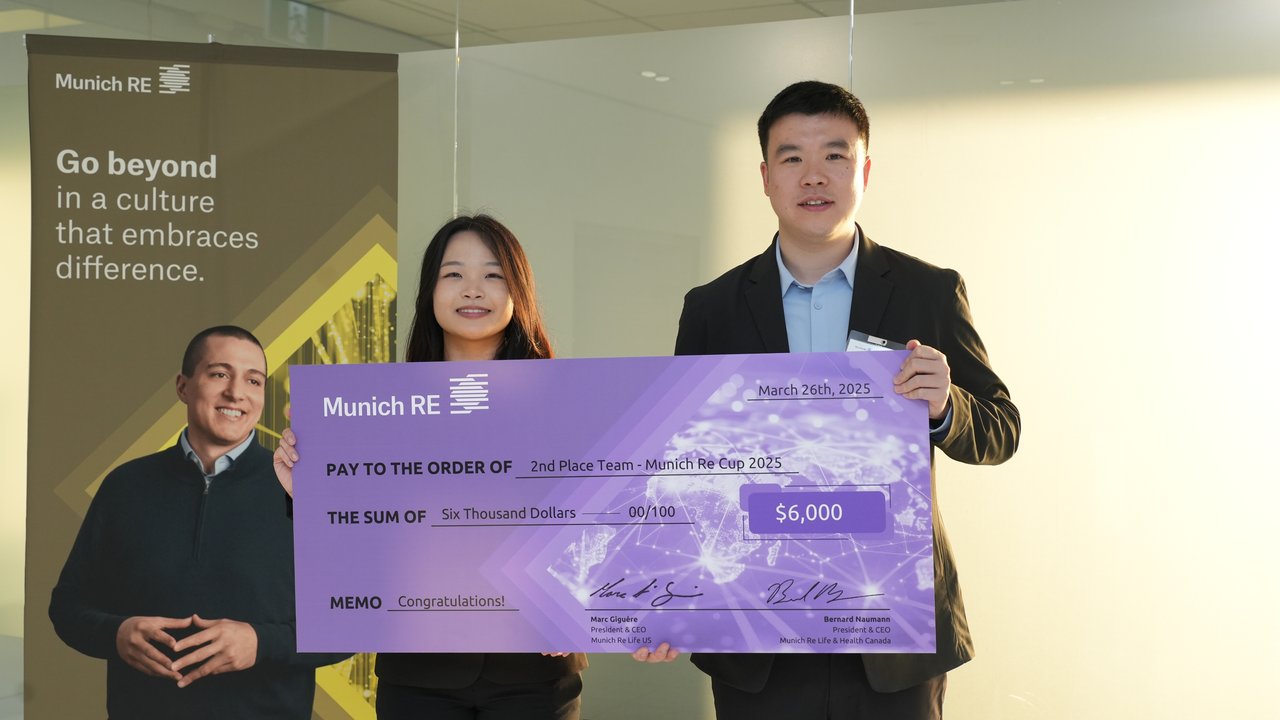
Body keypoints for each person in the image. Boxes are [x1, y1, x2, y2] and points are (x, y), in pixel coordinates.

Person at [635, 81, 1021, 719]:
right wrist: (665, 592)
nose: (814, 176)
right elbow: (680, 467)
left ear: (865, 170)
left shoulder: (927, 290)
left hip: (891, 632)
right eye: (792, 158)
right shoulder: (713, 308)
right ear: (765, 176)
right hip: (755, 633)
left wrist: (945, 406)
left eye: (835, 155)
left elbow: (1002, 428)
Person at [274, 214, 588, 720]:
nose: (473, 290)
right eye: (453, 274)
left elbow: (595, 523)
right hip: (418, 676)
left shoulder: (563, 402)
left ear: (518, 292)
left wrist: (580, 606)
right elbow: (360, 533)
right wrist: (308, 495)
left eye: (493, 275)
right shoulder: (378, 409)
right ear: (430, 292)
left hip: (536, 672)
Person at [48, 325, 348, 720]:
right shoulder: (125, 485)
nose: (236, 393)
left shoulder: (310, 487)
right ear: (183, 387)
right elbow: (68, 607)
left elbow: (350, 622)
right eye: (219, 374)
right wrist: (116, 635)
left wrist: (262, 643)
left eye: (253, 380)